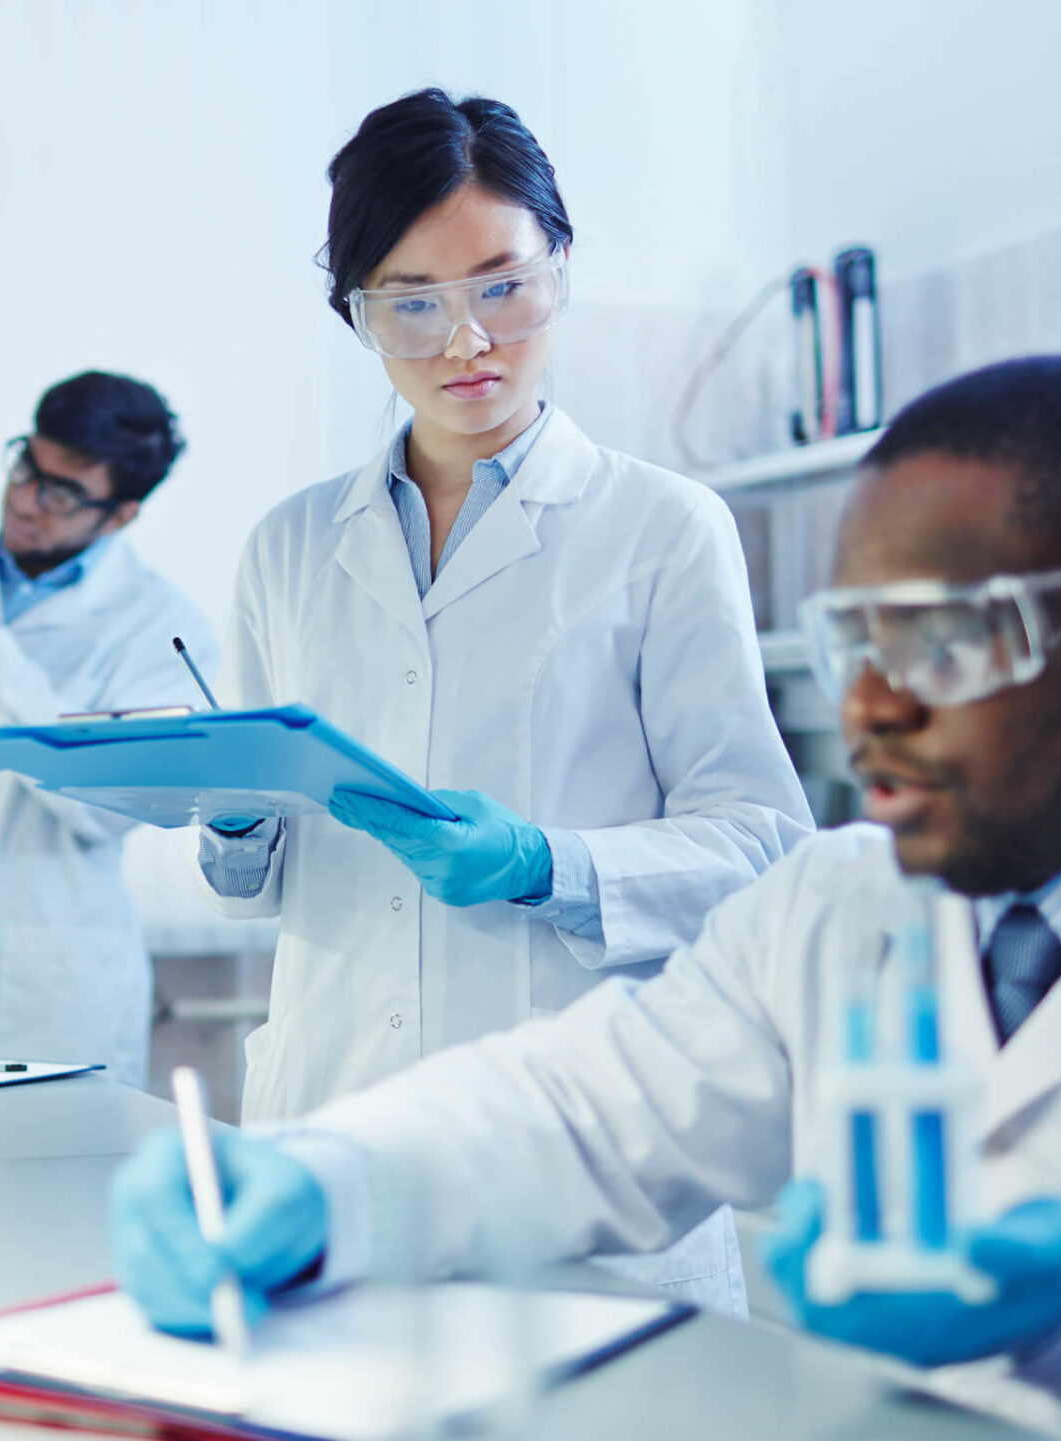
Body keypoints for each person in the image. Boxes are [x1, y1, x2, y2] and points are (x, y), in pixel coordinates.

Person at [115, 356, 1061, 1438]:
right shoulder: (843, 905)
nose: (871, 704)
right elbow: (578, 1108)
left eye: (942, 637)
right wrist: (322, 1180)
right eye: (850, 638)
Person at [192, 88, 812, 1313]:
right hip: (331, 1133)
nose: (464, 340)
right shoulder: (286, 545)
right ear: (355, 317)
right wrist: (226, 820)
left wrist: (546, 863)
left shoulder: (662, 528)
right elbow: (248, 875)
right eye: (408, 304)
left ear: (560, 270)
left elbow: (761, 840)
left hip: (579, 1163)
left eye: (500, 285)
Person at [0, 371, 217, 1087]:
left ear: (120, 515)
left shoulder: (163, 630)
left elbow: (102, 803)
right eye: (26, 468)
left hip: (43, 998)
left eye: (60, 494)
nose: (26, 502)